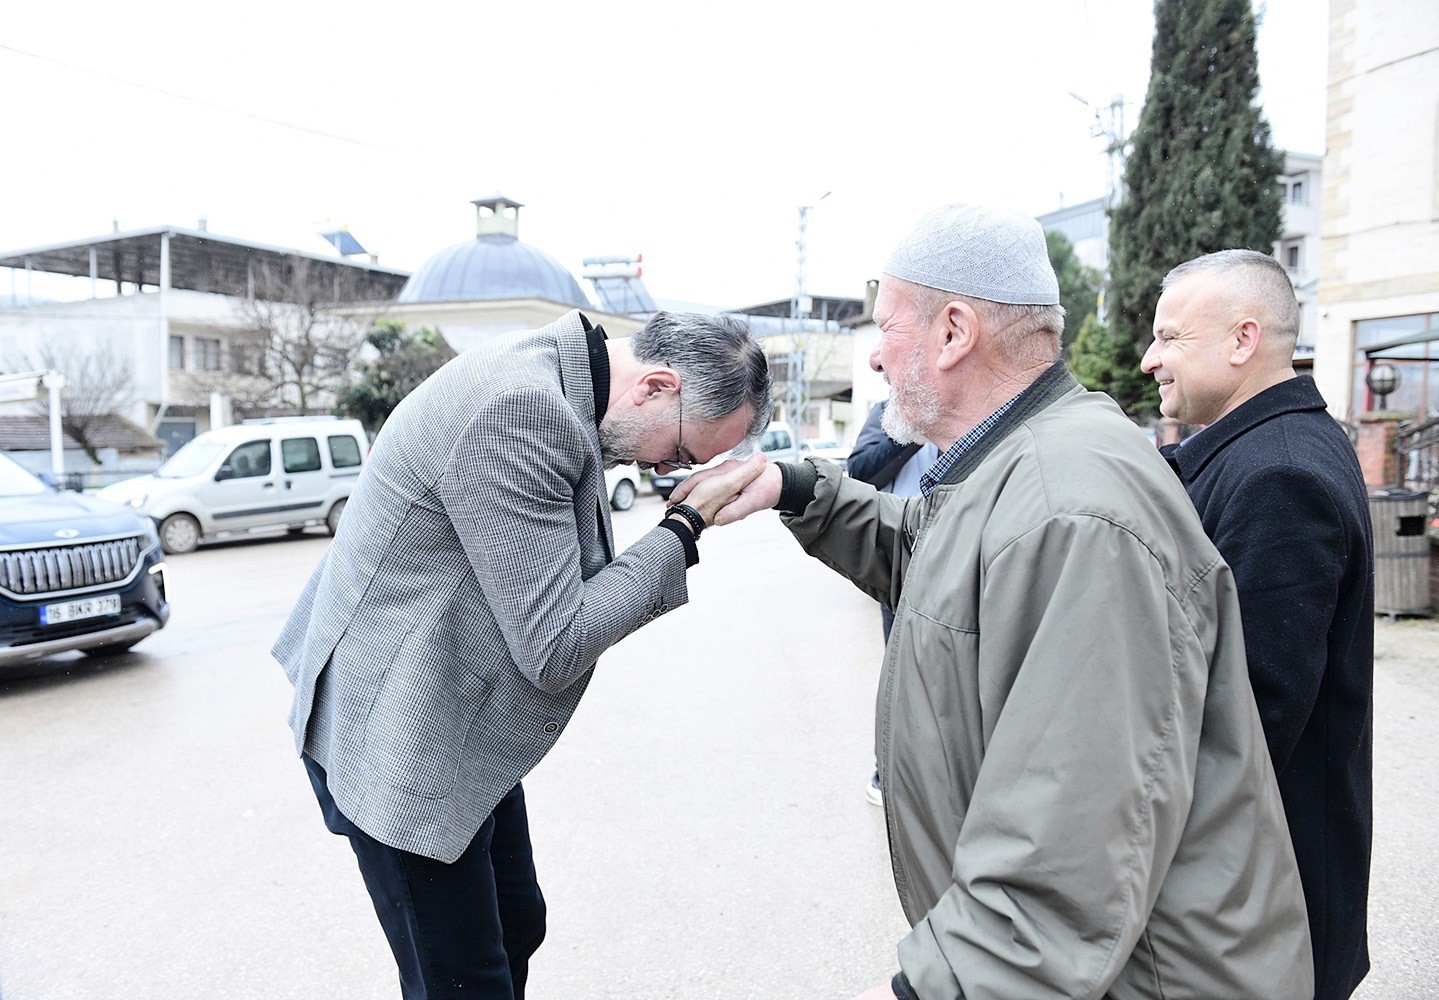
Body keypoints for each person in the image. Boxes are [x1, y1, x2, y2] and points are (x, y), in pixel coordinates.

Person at [675, 204, 1313, 999]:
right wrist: (800, 488)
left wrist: (934, 988)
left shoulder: (1072, 508)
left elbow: (1061, 854)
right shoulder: (1024, 463)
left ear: (952, 332)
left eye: (886, 328)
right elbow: (942, 566)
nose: (873, 359)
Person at [272, 309, 771, 998]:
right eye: (682, 453)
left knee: (516, 927)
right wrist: (681, 529)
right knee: (463, 980)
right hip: (398, 737)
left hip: (450, 710)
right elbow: (555, 643)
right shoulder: (520, 410)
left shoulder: (563, 379)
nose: (666, 469)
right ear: (655, 386)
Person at [1143, 249, 1374, 999]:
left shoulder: (1278, 476)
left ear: (1242, 341)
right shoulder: (1265, 451)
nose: (1150, 360)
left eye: (1169, 337)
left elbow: (1249, 721)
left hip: (1263, 913)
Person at [845, 400, 938, 805]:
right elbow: (860, 472)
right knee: (903, 671)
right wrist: (912, 435)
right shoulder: (889, 412)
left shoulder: (976, 408)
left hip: (960, 551)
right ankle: (888, 770)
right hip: (903, 557)